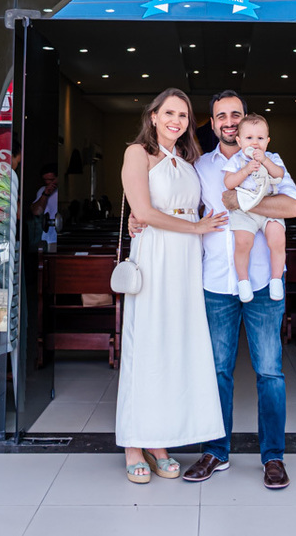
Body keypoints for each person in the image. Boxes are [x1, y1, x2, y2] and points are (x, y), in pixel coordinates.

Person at [186, 90, 296, 490]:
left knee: (269, 371)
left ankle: (273, 457)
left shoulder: (271, 160)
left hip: (265, 284)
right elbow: (181, 211)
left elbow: (291, 208)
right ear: (213, 122)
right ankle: (216, 451)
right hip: (217, 280)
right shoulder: (200, 166)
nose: (230, 121)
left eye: (237, 114)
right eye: (222, 116)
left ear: (248, 120)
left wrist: (242, 203)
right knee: (218, 370)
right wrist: (141, 222)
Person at [115, 88, 228, 484]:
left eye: (183, 114)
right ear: (154, 116)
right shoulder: (137, 153)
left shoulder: (185, 160)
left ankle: (159, 441)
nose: (177, 120)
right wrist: (194, 226)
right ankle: (134, 442)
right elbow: (142, 211)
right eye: (169, 113)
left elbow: (190, 206)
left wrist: (198, 228)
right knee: (146, 344)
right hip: (156, 255)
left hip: (184, 259)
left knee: (174, 348)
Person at [222, 114, 288, 303]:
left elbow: (279, 175)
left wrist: (265, 162)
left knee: (277, 239)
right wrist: (246, 170)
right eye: (249, 138)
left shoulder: (273, 158)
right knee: (243, 243)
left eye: (260, 138)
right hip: (244, 209)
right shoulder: (236, 160)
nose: (255, 143)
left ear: (267, 141)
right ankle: (243, 281)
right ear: (239, 141)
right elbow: (228, 183)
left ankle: (276, 279)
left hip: (269, 207)